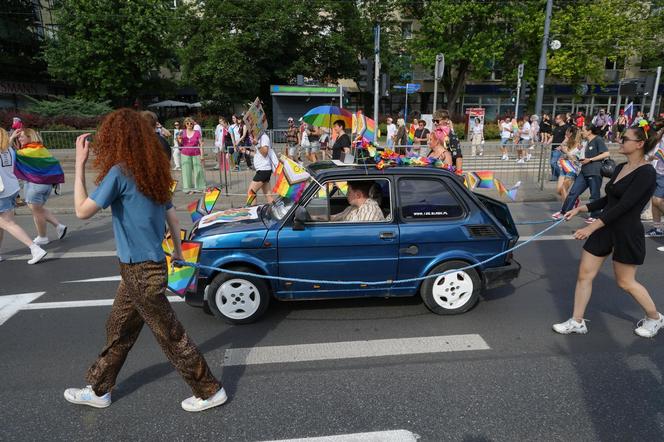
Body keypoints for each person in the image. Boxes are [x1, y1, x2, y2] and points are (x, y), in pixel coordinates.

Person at [65, 109, 226, 412]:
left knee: (171, 335)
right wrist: (178, 251)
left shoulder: (121, 173)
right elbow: (171, 213)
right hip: (140, 270)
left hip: (141, 272)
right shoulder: (153, 171)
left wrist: (80, 164)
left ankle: (209, 390)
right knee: (118, 328)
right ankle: (99, 390)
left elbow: (81, 211)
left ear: (117, 138)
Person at [553, 125, 662, 338]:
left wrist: (591, 227)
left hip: (626, 231)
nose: (620, 141)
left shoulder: (647, 172)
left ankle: (655, 317)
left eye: (624, 138)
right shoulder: (621, 167)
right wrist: (581, 208)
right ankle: (577, 321)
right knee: (585, 274)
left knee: (625, 282)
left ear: (639, 144)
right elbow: (609, 199)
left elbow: (625, 206)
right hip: (605, 226)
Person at [9, 128, 67, 246]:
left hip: (35, 186)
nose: (19, 139)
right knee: (38, 209)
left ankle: (43, 237)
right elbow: (53, 163)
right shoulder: (41, 149)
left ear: (30, 137)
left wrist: (10, 139)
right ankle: (59, 226)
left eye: (21, 136)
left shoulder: (26, 152)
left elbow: (8, 153)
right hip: (45, 185)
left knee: (37, 212)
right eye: (18, 137)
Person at [0, 128, 47, 264]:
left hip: (2, 192)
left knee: (7, 223)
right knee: (4, 223)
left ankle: (34, 248)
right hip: (11, 189)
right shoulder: (10, 150)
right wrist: (11, 137)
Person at [556, 123, 610, 222]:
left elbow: (606, 153)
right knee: (573, 192)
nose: (581, 132)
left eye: (583, 130)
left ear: (589, 131)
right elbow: (574, 151)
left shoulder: (598, 140)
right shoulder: (585, 141)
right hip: (583, 171)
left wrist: (590, 159)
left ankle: (595, 216)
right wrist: (565, 149)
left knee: (594, 195)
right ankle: (564, 212)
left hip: (595, 171)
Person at [553, 126, 582, 212]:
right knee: (559, 190)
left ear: (571, 133)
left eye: (567, 132)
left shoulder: (578, 144)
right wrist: (565, 141)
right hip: (564, 167)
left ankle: (565, 209)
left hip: (573, 169)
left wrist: (566, 152)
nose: (565, 133)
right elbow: (562, 148)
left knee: (563, 188)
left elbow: (574, 158)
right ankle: (574, 200)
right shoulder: (567, 143)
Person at [246, 129, 277, 205]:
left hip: (263, 170)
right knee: (269, 197)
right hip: (263, 170)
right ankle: (277, 211)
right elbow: (258, 155)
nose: (250, 132)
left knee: (251, 192)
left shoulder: (264, 137)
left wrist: (257, 144)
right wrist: (246, 151)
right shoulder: (259, 138)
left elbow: (265, 152)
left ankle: (252, 212)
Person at [645, 122, 664, 237]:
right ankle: (657, 229)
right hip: (657, 171)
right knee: (654, 201)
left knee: (657, 200)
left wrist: (657, 155)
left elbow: (660, 152)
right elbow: (656, 149)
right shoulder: (661, 134)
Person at [179, 117, 205, 194]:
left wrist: (202, 155)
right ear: (185, 124)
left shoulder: (197, 132)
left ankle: (199, 187)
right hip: (185, 154)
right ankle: (188, 188)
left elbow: (201, 144)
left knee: (198, 171)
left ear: (193, 124)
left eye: (191, 123)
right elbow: (180, 143)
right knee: (186, 172)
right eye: (187, 123)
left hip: (196, 153)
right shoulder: (182, 132)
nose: (189, 124)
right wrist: (179, 139)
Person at [550, 114, 568, 180]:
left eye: (557, 118)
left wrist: (561, 146)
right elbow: (552, 136)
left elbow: (567, 138)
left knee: (553, 162)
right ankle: (554, 176)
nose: (555, 119)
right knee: (551, 163)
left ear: (561, 119)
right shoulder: (556, 127)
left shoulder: (566, 127)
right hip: (553, 147)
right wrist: (546, 143)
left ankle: (561, 175)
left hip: (558, 148)